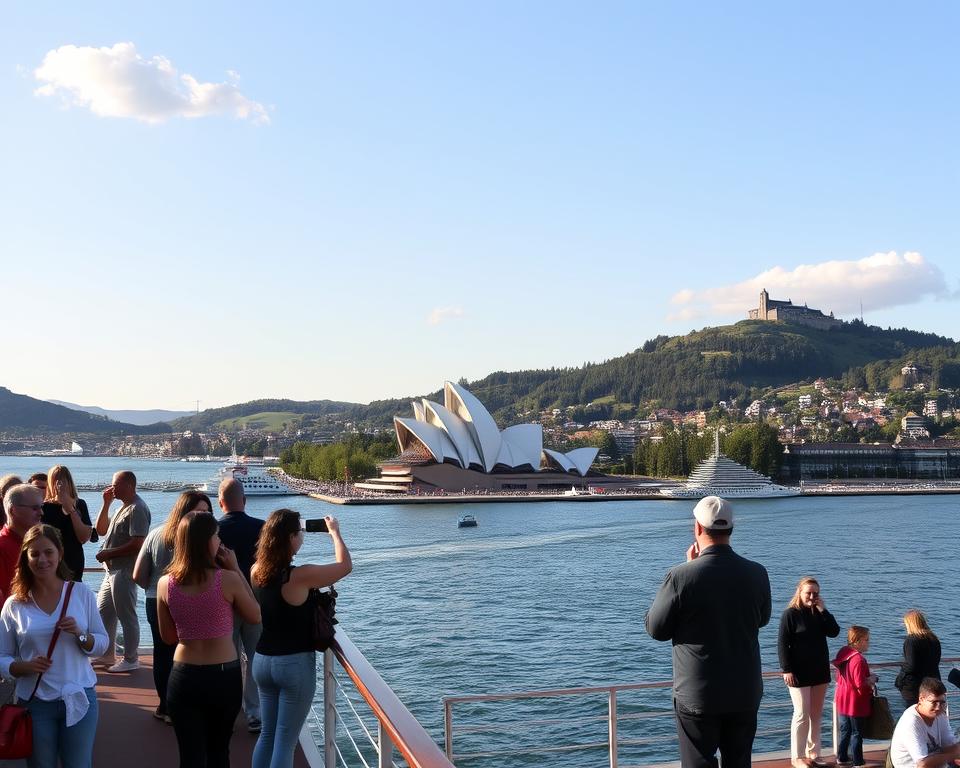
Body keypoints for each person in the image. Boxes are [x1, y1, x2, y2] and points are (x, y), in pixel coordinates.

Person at [645, 496, 772, 768]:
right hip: (745, 691)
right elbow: (762, 620)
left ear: (698, 529)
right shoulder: (757, 573)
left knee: (698, 763)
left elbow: (656, 629)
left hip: (698, 693)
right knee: (739, 762)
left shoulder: (681, 576)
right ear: (731, 529)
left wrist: (689, 568)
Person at [157, 511, 261, 768]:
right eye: (216, 536)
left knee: (190, 757)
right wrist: (236, 567)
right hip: (223, 676)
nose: (219, 542)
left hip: (184, 675)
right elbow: (255, 615)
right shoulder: (228, 579)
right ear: (206, 542)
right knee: (218, 753)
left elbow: (168, 636)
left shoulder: (164, 584)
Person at [0, 524, 109, 768]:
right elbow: (2, 656)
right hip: (35, 702)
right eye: (35, 554)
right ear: (25, 558)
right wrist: (23, 666)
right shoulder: (15, 605)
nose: (42, 560)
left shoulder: (80, 593)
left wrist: (81, 635)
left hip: (80, 697)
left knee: (79, 764)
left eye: (48, 552)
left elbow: (102, 643)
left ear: (59, 553)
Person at [251, 510, 352, 768]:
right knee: (285, 742)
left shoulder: (256, 571)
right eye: (299, 533)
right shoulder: (299, 576)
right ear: (290, 538)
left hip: (262, 660)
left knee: (267, 734)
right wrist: (335, 533)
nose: (302, 538)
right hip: (293, 664)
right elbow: (345, 566)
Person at [133, 491, 213, 723]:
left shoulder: (155, 534)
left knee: (163, 653)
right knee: (189, 654)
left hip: (154, 600)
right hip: (189, 601)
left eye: (206, 512)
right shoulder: (197, 538)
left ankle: (166, 706)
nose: (203, 516)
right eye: (199, 511)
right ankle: (187, 705)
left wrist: (155, 587)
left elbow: (138, 575)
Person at [217, 477, 265, 732]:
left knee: (228, 658)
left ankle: (228, 708)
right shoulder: (262, 528)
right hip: (256, 602)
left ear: (220, 502)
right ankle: (255, 712)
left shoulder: (212, 530)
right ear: (244, 501)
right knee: (257, 657)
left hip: (223, 604)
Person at [778, 576, 840, 768]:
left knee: (816, 714)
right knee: (801, 714)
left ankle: (813, 754)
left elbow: (834, 631)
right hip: (798, 673)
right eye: (808, 593)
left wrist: (823, 609)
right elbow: (782, 643)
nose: (812, 596)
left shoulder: (819, 614)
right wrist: (786, 669)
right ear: (800, 593)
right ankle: (797, 757)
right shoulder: (790, 614)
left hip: (819, 671)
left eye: (815, 593)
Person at [94, 470, 150, 673]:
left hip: (124, 569)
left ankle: (131, 658)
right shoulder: (122, 507)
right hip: (112, 570)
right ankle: (107, 653)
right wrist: (106, 503)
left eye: (116, 485)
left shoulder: (137, 508)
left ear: (129, 485)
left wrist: (109, 552)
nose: (112, 488)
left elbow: (138, 543)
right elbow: (100, 530)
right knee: (104, 612)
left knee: (127, 615)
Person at [832, 626, 878, 768]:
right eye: (866, 640)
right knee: (857, 732)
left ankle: (842, 756)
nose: (868, 643)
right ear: (857, 641)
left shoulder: (843, 652)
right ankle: (858, 761)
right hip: (855, 701)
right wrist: (872, 678)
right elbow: (859, 684)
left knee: (845, 729)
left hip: (842, 696)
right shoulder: (858, 659)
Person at [41, 465, 96, 581]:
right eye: (56, 481)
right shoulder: (44, 507)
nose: (59, 485)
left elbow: (84, 537)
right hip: (52, 562)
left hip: (73, 561)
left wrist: (69, 507)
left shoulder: (80, 504)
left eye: (63, 480)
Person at [890, 678, 960, 768]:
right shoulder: (911, 722)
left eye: (942, 702)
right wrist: (954, 755)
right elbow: (922, 765)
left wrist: (956, 749)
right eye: (934, 702)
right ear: (921, 699)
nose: (938, 707)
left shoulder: (940, 715)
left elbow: (948, 745)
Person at [0, 483, 44, 600]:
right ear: (13, 510)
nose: (41, 513)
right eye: (34, 508)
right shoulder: (2, 547)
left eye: (41, 507)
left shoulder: (39, 543)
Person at [895, 610, 941, 707]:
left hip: (914, 686)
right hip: (931, 683)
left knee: (914, 713)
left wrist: (900, 679)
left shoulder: (911, 640)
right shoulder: (934, 639)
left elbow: (911, 665)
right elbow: (936, 661)